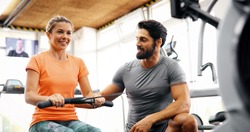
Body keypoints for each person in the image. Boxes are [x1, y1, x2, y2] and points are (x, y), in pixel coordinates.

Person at [100, 20, 198, 132]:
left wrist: (150, 119)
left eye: (143, 39)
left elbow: (184, 104)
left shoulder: (172, 67)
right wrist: (77, 101)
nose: (137, 43)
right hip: (135, 130)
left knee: (189, 120)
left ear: (158, 42)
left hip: (163, 129)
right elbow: (102, 96)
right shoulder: (126, 70)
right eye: (137, 39)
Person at [24, 15, 105, 132]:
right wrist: (49, 98)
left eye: (68, 33)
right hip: (42, 120)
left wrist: (95, 99)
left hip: (70, 119)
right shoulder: (37, 60)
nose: (65, 37)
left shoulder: (78, 63)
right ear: (48, 35)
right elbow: (29, 96)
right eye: (60, 32)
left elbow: (88, 94)